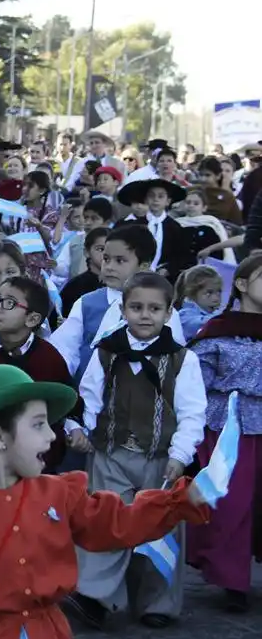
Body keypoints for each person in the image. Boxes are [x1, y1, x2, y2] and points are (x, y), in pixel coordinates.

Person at [0, 364, 209, 639]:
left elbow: (118, 522)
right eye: (39, 425)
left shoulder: (60, 492)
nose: (51, 435)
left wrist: (178, 501)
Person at [66, 272, 207, 630]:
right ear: (123, 309)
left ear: (168, 312)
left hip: (161, 458)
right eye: (137, 307)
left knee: (160, 526)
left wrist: (180, 455)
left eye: (155, 308)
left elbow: (192, 412)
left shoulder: (181, 360)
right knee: (105, 521)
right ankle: (94, 595)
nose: (145, 315)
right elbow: (89, 399)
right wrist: (80, 429)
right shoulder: (107, 352)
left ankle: (157, 601)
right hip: (110, 453)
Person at [186, 255, 262, 613]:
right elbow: (194, 380)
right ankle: (232, 579)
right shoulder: (218, 328)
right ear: (243, 284)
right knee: (233, 503)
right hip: (230, 426)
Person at [0, 277, 83, 472]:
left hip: (38, 459)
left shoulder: (49, 358)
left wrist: (73, 427)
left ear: (32, 319)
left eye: (9, 303)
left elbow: (66, 401)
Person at [49, 225, 184, 383]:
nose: (110, 267)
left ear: (144, 266)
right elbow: (64, 350)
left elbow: (175, 359)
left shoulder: (160, 309)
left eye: (120, 261)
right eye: (106, 259)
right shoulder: (86, 304)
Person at [115, 179, 191, 282]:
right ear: (145, 200)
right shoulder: (135, 226)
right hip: (136, 276)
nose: (156, 199)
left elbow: (181, 255)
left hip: (165, 279)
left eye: (160, 196)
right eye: (151, 196)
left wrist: (167, 269)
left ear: (168, 201)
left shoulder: (175, 227)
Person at [60, 226, 107, 319]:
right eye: (101, 249)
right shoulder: (75, 286)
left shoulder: (121, 285)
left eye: (111, 249)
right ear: (86, 252)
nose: (106, 254)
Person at [173, 265, 223, 342]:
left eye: (219, 292)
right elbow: (203, 325)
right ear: (192, 294)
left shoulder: (214, 313)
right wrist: (224, 315)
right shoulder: (184, 315)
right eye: (209, 293)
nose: (216, 299)